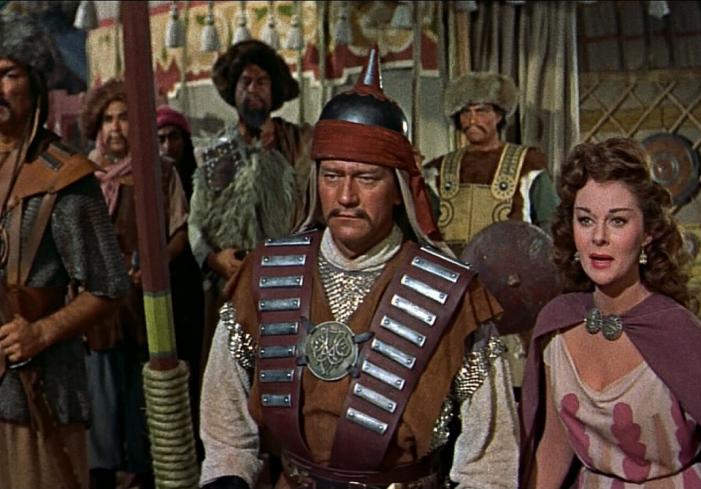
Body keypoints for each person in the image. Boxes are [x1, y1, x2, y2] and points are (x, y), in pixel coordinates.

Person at [198, 48, 518, 489]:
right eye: (332, 176)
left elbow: (490, 460)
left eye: (366, 178)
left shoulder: (451, 296)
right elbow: (226, 429)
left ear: (398, 188)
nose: (346, 196)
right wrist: (227, 477)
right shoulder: (266, 275)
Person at [520, 138, 701, 488]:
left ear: (647, 232)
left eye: (618, 221)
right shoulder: (557, 325)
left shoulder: (679, 334)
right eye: (585, 220)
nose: (598, 237)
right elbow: (552, 448)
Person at [0, 12, 129, 489]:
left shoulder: (64, 177)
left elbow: (110, 286)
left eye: (8, 74)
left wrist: (42, 331)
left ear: (34, 82)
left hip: (36, 389)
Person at [79, 80, 190, 489]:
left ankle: (144, 471)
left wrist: (156, 264)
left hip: (146, 303)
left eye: (124, 117)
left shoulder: (161, 172)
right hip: (97, 308)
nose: (116, 127)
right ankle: (103, 474)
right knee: (102, 398)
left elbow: (180, 231)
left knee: (145, 394)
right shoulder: (82, 175)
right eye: (108, 119)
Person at [188, 39, 311, 379]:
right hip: (230, 287)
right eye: (246, 82)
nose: (253, 90)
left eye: (262, 82)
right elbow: (196, 223)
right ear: (234, 89)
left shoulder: (298, 143)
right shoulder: (216, 153)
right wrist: (214, 259)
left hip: (286, 283)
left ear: (274, 90)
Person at [425, 71, 558, 257]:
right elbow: (426, 230)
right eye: (465, 112)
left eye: (481, 111)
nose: (472, 120)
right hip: (454, 269)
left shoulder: (527, 164)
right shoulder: (439, 170)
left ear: (498, 115)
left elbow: (550, 224)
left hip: (512, 268)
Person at [156, 104, 207, 458]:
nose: (167, 146)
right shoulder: (155, 179)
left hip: (192, 283)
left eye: (174, 137)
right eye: (160, 139)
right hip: (162, 284)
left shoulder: (198, 179)